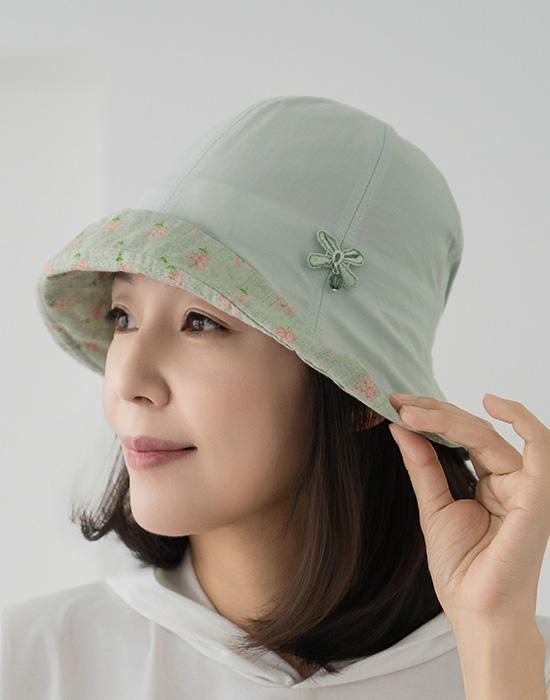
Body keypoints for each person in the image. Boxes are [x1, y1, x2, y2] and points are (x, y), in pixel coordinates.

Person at [2, 95, 549, 699]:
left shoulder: (518, 659)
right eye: (123, 316)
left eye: (201, 322)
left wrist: (496, 642)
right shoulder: (31, 662)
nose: (127, 381)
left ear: (354, 397)